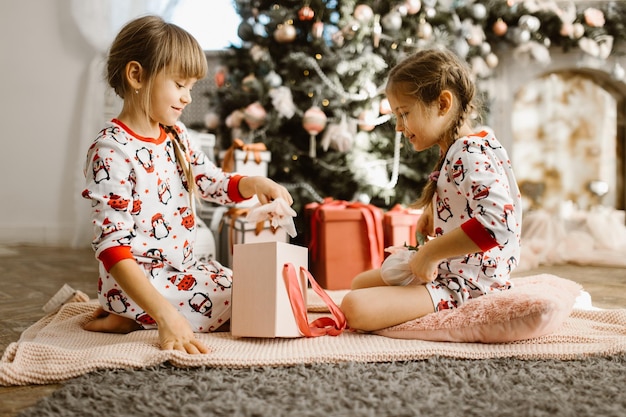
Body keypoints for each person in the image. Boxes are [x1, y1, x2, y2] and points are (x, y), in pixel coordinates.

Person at [81, 15, 293, 354]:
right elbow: (112, 245)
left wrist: (253, 182)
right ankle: (131, 309)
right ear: (137, 75)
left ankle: (126, 314)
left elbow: (209, 181)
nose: (188, 98)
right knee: (254, 302)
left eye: (190, 88)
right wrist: (166, 316)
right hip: (142, 278)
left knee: (251, 285)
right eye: (179, 85)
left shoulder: (176, 134)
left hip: (183, 268)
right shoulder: (112, 150)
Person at [340, 48, 522, 332]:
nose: (399, 127)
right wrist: (433, 214)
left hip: (467, 285)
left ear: (442, 104)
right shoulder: (462, 148)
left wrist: (431, 253)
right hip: (452, 271)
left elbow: (499, 224)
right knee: (358, 284)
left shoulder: (467, 152)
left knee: (355, 306)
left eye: (404, 114)